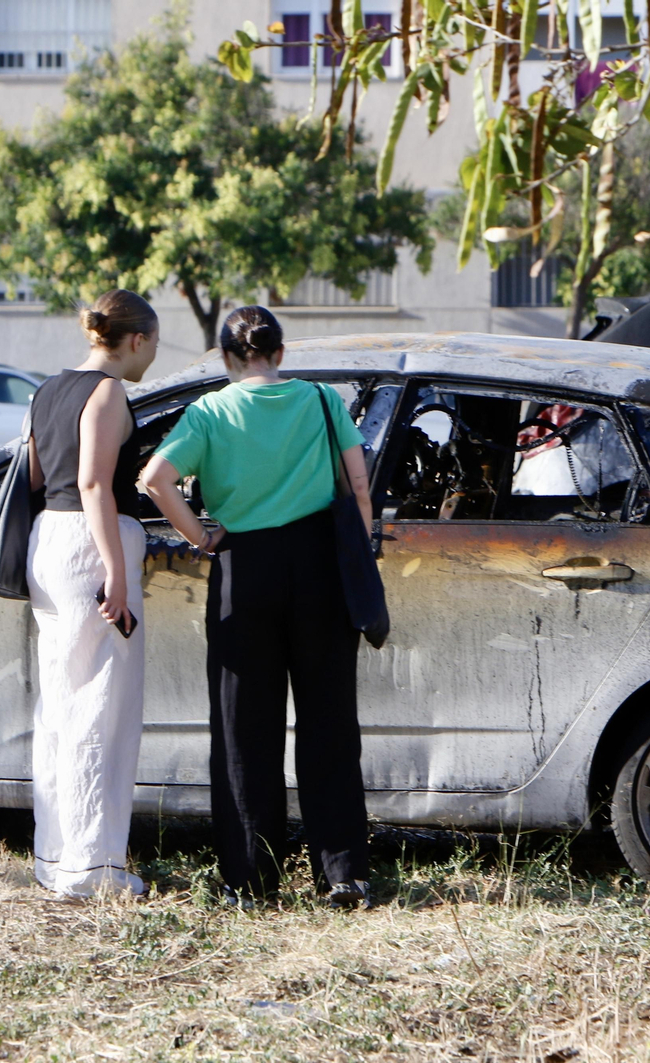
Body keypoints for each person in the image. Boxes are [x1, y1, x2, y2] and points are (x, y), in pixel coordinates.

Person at [141, 305, 374, 909]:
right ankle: (343, 874)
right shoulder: (322, 401)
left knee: (243, 726)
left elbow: (155, 479)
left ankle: (249, 880)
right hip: (322, 566)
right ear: (280, 352)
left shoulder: (210, 411)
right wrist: (358, 551)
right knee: (329, 720)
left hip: (244, 568)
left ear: (226, 357)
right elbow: (358, 484)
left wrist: (201, 536)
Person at [25, 289, 159, 899]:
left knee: (60, 706)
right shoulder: (107, 393)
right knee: (101, 708)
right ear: (136, 339)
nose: (152, 357)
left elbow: (37, 475)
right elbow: (93, 485)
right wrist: (118, 573)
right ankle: (94, 869)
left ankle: (56, 857)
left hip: (49, 543)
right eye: (153, 344)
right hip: (90, 548)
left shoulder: (48, 390)